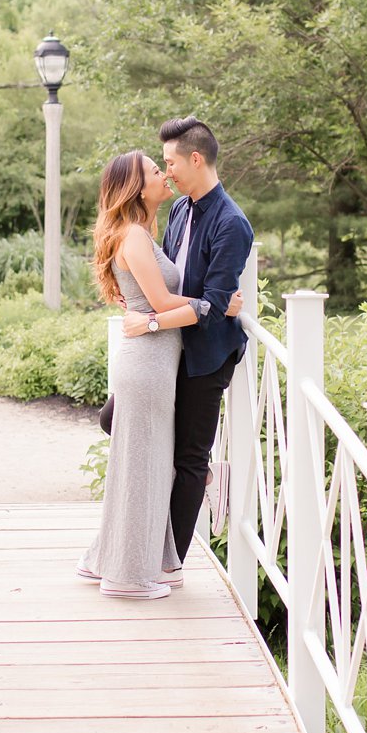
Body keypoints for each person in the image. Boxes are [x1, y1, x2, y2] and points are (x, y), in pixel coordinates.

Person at [76, 150, 240, 599]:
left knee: (141, 465)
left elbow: (159, 299)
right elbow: (165, 304)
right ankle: (127, 577)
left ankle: (105, 559)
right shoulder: (133, 236)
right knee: (144, 469)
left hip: (154, 359)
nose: (164, 174)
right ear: (137, 187)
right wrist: (217, 303)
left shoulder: (143, 232)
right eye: (154, 170)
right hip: (147, 363)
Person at [122, 116, 253, 564]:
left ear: (194, 159)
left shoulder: (232, 223)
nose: (167, 171)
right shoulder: (178, 210)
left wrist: (156, 322)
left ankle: (171, 563)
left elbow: (214, 308)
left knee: (191, 458)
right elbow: (179, 287)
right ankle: (199, 484)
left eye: (169, 162)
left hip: (207, 355)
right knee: (114, 418)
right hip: (170, 350)